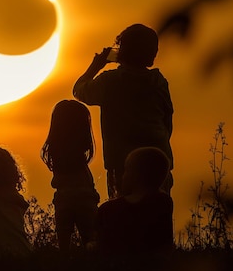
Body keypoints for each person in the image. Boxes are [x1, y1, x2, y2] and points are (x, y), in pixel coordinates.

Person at [73, 23, 173, 199]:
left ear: (123, 51)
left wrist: (96, 66)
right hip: (158, 160)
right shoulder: (159, 82)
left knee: (124, 217)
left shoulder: (110, 82)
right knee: (157, 213)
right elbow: (167, 121)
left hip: (122, 163)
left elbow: (79, 91)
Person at [41, 100, 100, 253]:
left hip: (63, 199)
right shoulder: (79, 157)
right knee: (91, 240)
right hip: (85, 199)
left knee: (64, 244)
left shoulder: (57, 153)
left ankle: (64, 266)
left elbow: (58, 181)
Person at [97, 147, 174, 256]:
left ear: (135, 175)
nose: (123, 176)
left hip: (117, 269)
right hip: (152, 269)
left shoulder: (107, 210)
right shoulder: (163, 203)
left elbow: (102, 248)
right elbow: (166, 246)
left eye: (126, 170)